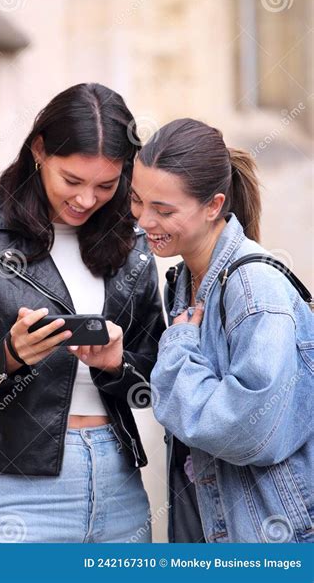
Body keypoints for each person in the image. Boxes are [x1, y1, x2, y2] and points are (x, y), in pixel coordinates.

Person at [0, 83, 166, 543]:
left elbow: (156, 385)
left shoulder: (134, 244)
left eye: (106, 186)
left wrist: (117, 366)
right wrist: (9, 355)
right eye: (71, 181)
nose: (87, 199)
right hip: (17, 491)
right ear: (39, 151)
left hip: (119, 482)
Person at [130, 117, 313, 543]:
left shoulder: (253, 288)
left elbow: (249, 430)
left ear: (213, 206)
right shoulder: (184, 278)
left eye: (163, 210)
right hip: (209, 527)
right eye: (137, 201)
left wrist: (176, 350)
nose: (142, 221)